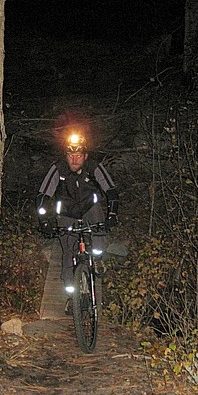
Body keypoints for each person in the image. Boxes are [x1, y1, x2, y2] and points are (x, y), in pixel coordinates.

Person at [36, 133, 119, 314]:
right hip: (66, 213)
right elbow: (43, 196)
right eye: (70, 156)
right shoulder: (58, 169)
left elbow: (111, 190)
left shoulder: (94, 167)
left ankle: (97, 259)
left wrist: (112, 214)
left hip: (90, 208)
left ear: (85, 156)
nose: (74, 160)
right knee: (69, 252)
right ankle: (72, 296)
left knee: (98, 223)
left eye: (78, 156)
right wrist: (44, 221)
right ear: (65, 156)